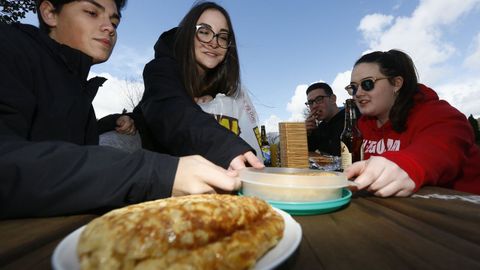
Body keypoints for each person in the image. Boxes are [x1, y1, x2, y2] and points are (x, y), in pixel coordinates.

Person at [0, 0, 243, 219]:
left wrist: (117, 119)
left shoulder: (79, 88)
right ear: (50, 13)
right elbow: (167, 109)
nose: (109, 27)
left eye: (114, 20)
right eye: (92, 12)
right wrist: (159, 173)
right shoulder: (10, 48)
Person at [132, 1, 264, 170]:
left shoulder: (228, 91)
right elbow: (170, 111)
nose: (214, 42)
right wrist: (227, 148)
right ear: (187, 34)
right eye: (204, 31)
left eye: (222, 36)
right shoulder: (160, 70)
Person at [344, 49, 480, 197]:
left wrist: (406, 165)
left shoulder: (436, 114)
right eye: (354, 87)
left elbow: (442, 145)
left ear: (396, 83)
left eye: (367, 83)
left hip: (463, 208)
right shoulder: (363, 124)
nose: (357, 93)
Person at [305, 82, 345, 156]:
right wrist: (307, 134)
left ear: (333, 99)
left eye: (319, 99)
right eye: (310, 102)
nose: (314, 106)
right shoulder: (319, 128)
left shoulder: (351, 119)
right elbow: (306, 153)